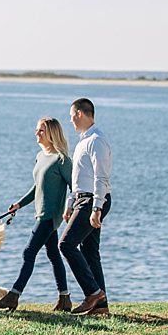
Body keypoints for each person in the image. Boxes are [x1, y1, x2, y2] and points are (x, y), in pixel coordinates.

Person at [0, 117, 73, 313]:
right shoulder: (41, 156)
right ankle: (65, 298)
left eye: (41, 131)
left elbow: (74, 188)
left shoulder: (62, 160)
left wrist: (69, 209)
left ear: (52, 134)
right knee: (53, 254)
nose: (37, 134)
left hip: (50, 216)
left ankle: (14, 295)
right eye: (37, 130)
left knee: (29, 252)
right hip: (40, 213)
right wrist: (19, 203)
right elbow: (38, 187)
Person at [59, 97, 112, 315]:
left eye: (72, 116)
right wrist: (70, 203)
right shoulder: (84, 140)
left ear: (80, 113)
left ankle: (93, 293)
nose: (70, 120)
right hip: (83, 199)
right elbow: (79, 177)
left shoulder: (96, 140)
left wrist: (97, 208)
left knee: (66, 244)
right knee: (90, 252)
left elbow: (101, 177)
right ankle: (101, 306)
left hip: (93, 200)